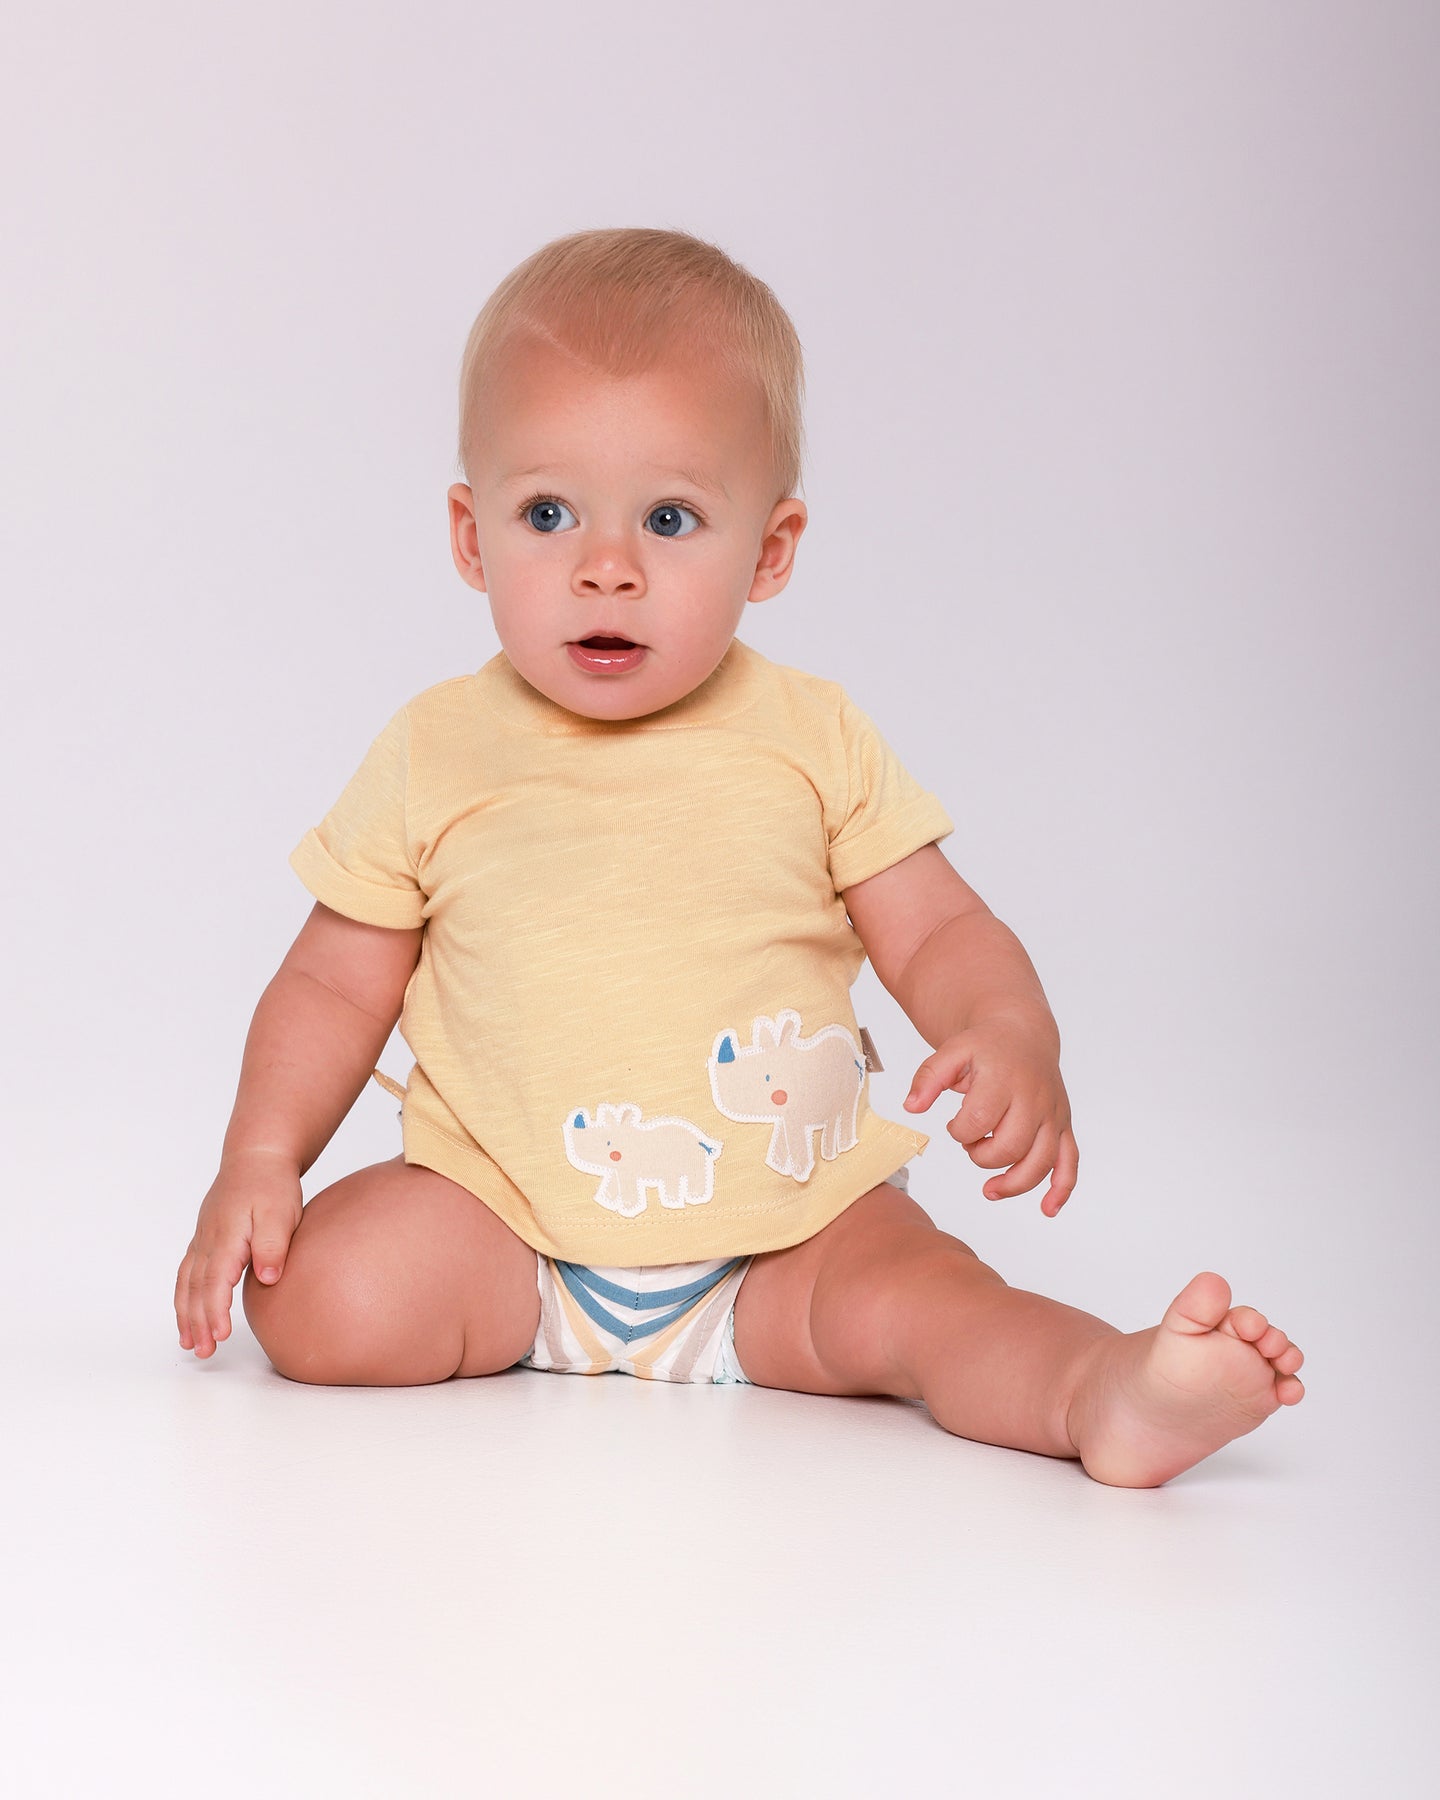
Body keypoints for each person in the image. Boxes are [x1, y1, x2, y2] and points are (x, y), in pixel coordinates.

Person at [174, 227, 1304, 1487]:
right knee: (315, 1299)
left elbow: (938, 927)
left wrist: (1007, 1031)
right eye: (547, 514)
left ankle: (1103, 1390)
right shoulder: (435, 749)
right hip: (502, 1227)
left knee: (931, 1309)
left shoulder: (810, 736)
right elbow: (333, 982)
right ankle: (467, 1295)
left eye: (670, 519)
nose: (606, 569)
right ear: (470, 534)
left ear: (769, 550)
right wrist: (261, 1158)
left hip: (790, 1238)